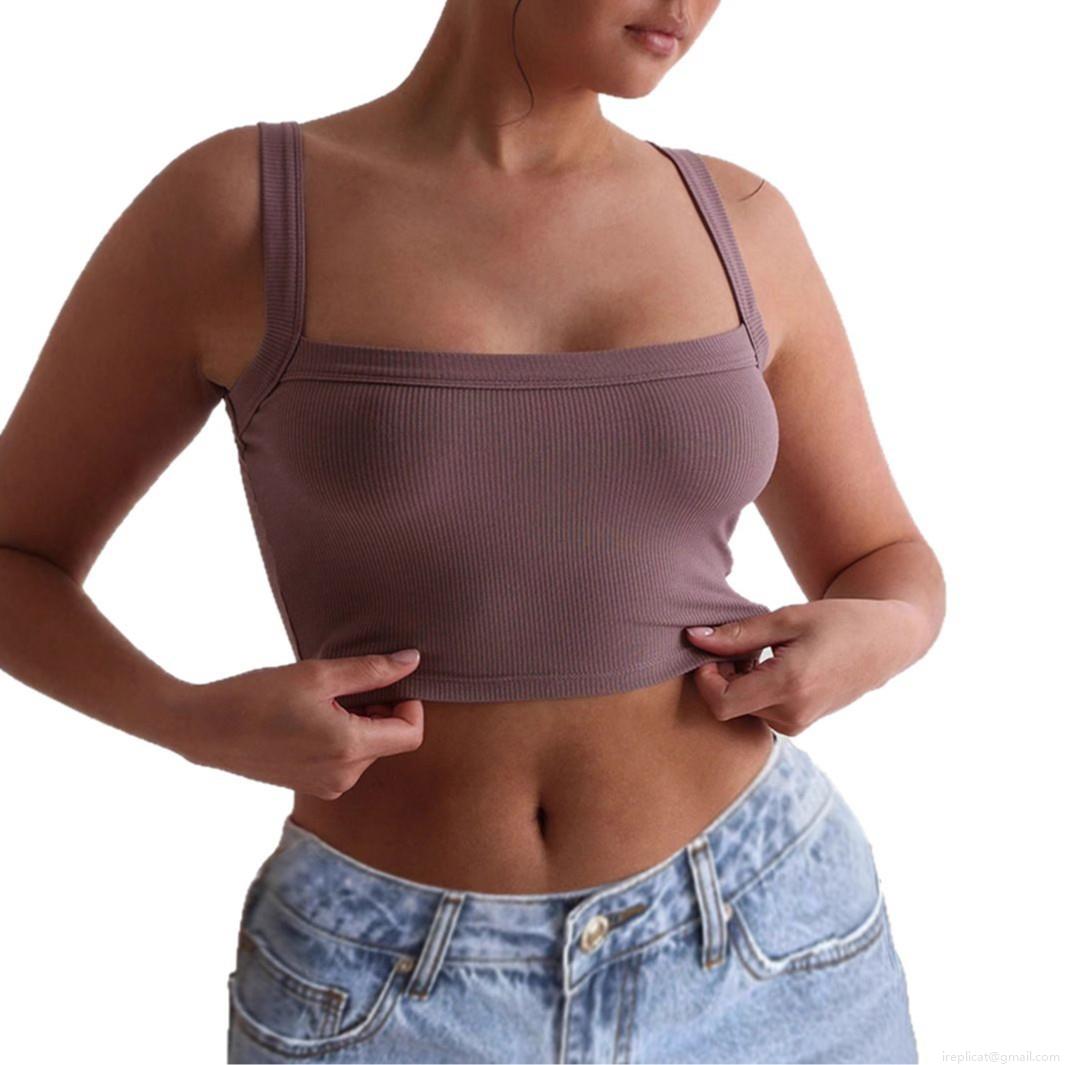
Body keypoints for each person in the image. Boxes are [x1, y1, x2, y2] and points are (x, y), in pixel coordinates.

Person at [0, 1, 944, 1062]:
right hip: (380, 984)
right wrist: (186, 719)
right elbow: (15, 555)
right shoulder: (244, 209)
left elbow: (882, 559)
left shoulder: (740, 220)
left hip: (771, 933)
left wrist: (885, 633)